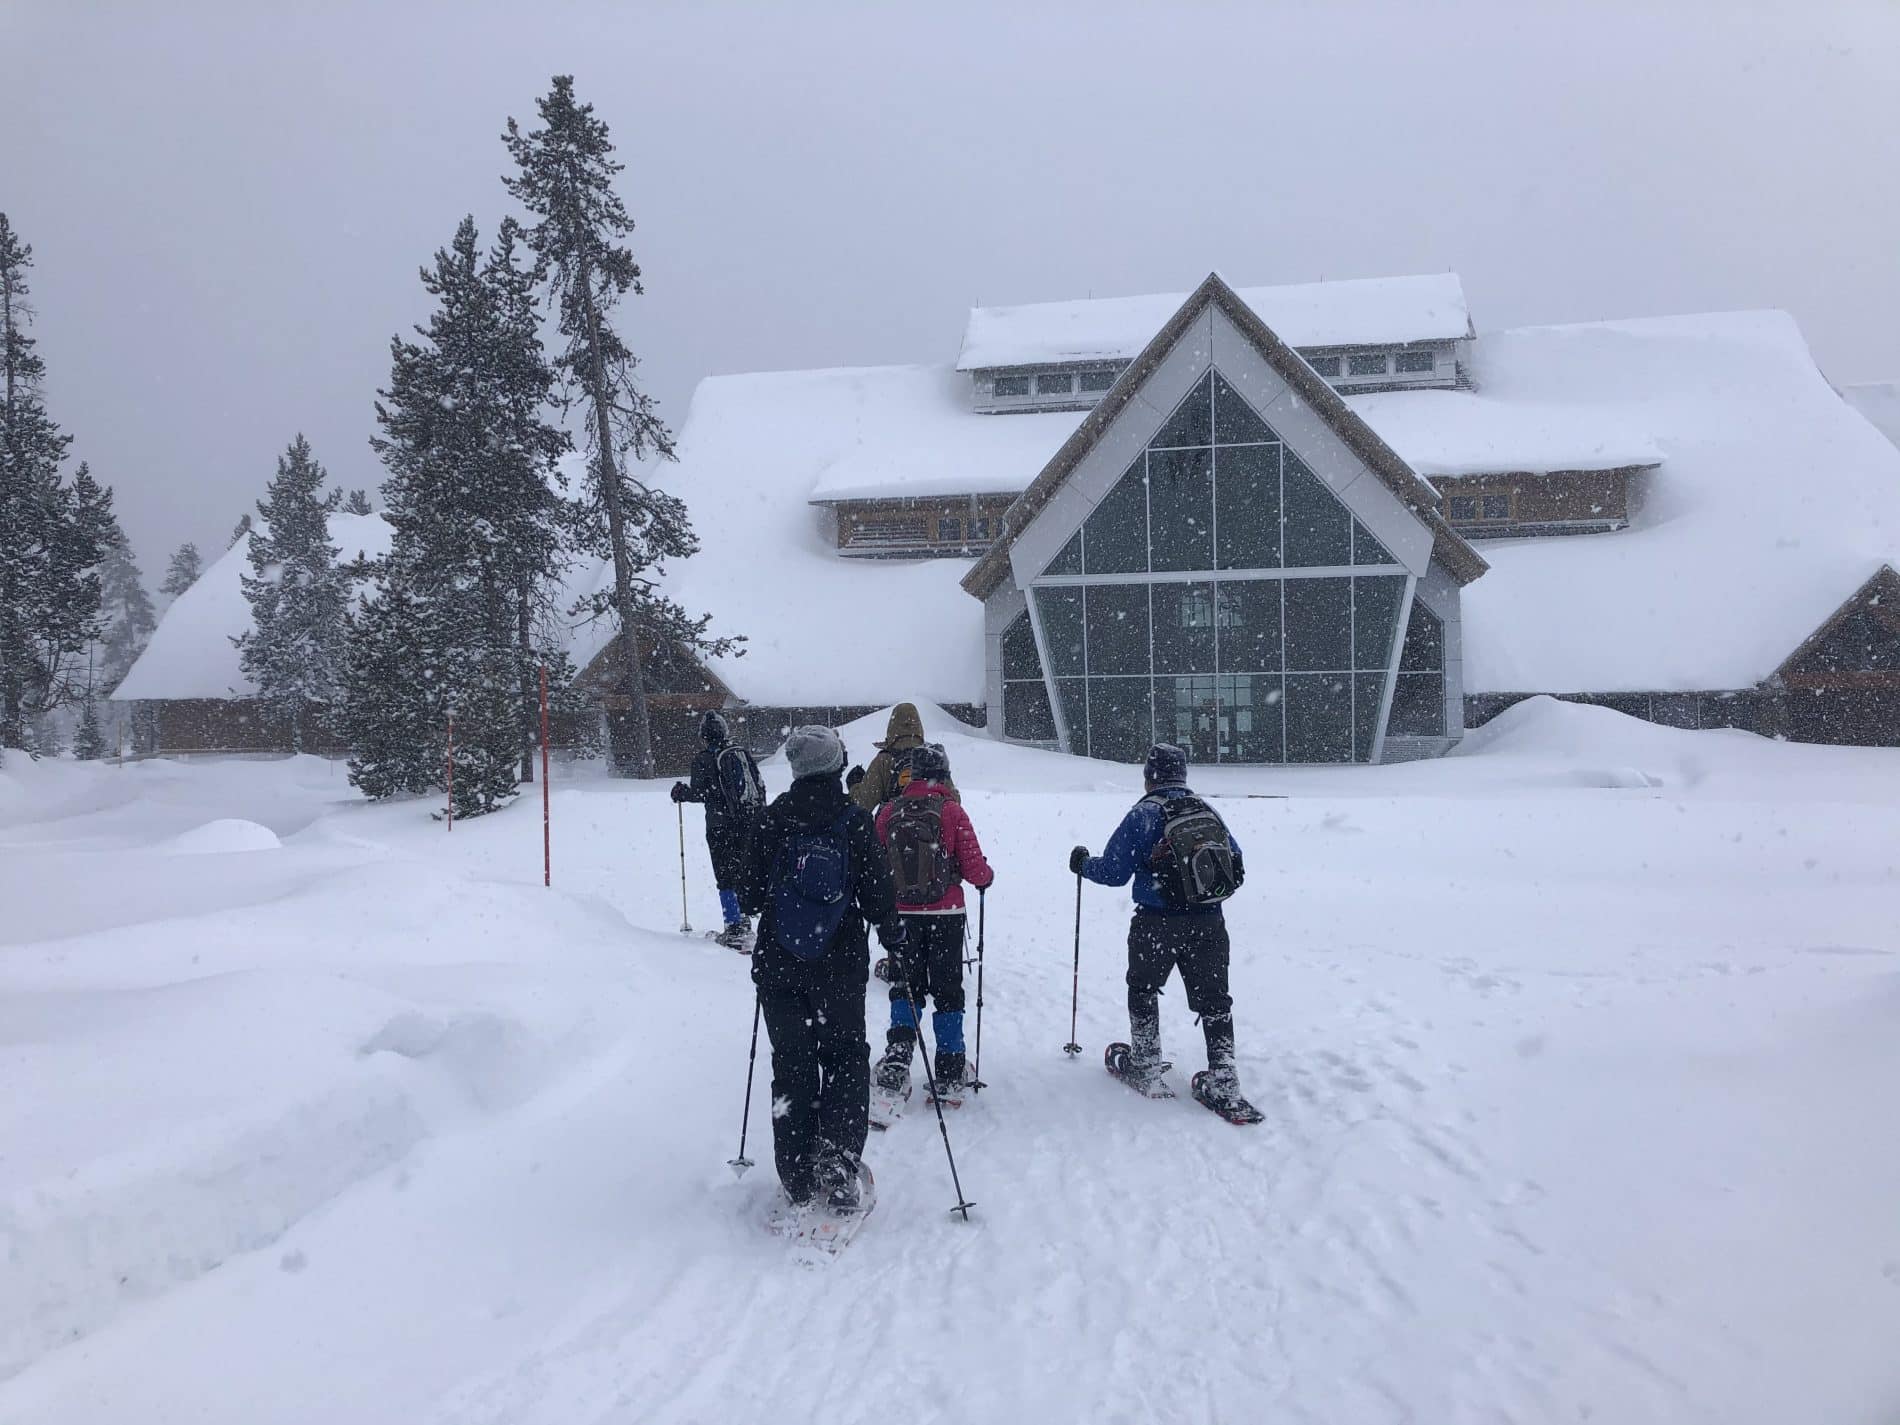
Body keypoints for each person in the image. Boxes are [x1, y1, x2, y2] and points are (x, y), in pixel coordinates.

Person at [740, 724, 903, 1215]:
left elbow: (748, 897)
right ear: (836, 765)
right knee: (845, 1058)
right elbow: (877, 897)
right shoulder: (854, 822)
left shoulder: (772, 820)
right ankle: (838, 1160)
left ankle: (795, 1172)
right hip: (839, 966)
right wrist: (893, 937)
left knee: (791, 1066)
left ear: (796, 767)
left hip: (779, 966)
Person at [1070, 742, 1252, 1113]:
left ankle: (1146, 1062)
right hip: (1209, 920)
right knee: (1215, 999)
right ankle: (1224, 1077)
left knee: (1143, 988)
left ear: (1149, 777)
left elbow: (1115, 872)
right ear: (1183, 774)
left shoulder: (1143, 814)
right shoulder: (1206, 810)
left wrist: (1083, 864)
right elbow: (1235, 862)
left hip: (1157, 921)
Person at [872, 742, 993, 1097]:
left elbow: (876, 864)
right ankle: (951, 1068)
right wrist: (986, 877)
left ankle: (897, 1059)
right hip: (946, 914)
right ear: (943, 774)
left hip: (902, 916)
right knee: (947, 989)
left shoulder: (889, 812)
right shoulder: (952, 811)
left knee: (905, 986)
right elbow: (975, 870)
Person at [671, 712, 766, 949]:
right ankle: (744, 921)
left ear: (704, 736)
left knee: (725, 875)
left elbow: (702, 793)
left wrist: (682, 793)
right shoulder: (739, 753)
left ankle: (734, 927)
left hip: (720, 826)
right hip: (746, 823)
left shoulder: (703, 759)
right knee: (742, 871)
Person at [849, 702, 960, 812]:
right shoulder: (932, 756)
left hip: (893, 821)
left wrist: (855, 785)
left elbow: (863, 804)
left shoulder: (884, 760)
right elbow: (954, 801)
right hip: (931, 821)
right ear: (919, 725)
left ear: (891, 727)